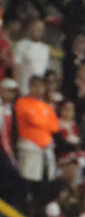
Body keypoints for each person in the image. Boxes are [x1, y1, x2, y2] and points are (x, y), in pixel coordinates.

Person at [15, 74, 60, 202]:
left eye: (41, 86)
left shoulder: (46, 106)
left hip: (45, 149)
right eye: (36, 86)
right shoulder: (22, 102)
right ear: (30, 87)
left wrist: (42, 122)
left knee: (45, 182)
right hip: (29, 146)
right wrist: (44, 122)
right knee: (28, 181)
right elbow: (32, 119)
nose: (39, 89)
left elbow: (55, 126)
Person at [13, 18, 50, 95]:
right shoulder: (21, 45)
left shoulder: (45, 49)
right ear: (31, 28)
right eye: (37, 28)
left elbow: (44, 70)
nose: (39, 31)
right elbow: (15, 67)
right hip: (24, 88)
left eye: (41, 29)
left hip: (38, 91)